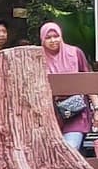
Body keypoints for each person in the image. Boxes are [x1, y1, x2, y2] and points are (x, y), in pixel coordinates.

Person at [40, 22, 94, 152]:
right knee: (51, 153)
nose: (53, 40)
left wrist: (97, 108)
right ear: (42, 39)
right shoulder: (38, 57)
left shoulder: (75, 53)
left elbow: (89, 80)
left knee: (70, 149)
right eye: (48, 38)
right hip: (49, 113)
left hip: (75, 112)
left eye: (56, 36)